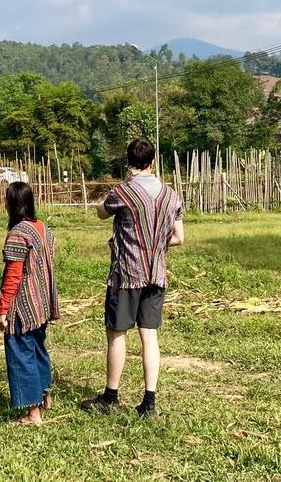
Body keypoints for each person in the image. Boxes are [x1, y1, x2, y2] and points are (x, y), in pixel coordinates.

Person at [81, 137, 185, 418]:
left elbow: (101, 212)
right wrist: (156, 244)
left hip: (126, 274)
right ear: (153, 161)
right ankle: (149, 402)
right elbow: (179, 237)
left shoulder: (124, 192)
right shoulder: (171, 194)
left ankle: (111, 397)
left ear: (129, 162)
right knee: (149, 336)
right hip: (156, 275)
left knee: (117, 334)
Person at [0, 182, 59, 425]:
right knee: (38, 349)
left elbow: (13, 276)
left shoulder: (18, 234)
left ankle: (33, 413)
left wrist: (2, 309)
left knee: (21, 355)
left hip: (22, 306)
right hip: (41, 302)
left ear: (11, 203)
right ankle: (45, 395)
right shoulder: (42, 227)